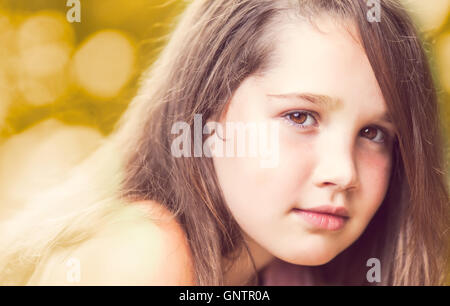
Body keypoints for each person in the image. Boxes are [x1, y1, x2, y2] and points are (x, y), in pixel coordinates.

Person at [1, 0, 448, 286]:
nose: (343, 172)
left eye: (374, 134)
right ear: (208, 112)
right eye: (300, 116)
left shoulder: (287, 270)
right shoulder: (142, 252)